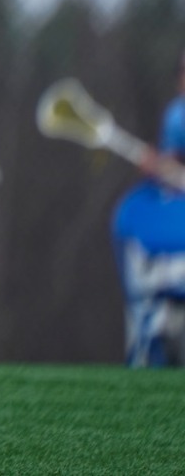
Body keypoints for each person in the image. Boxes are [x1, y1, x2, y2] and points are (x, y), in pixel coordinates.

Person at [112, 58, 185, 368]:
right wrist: (159, 167)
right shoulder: (177, 116)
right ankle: (151, 339)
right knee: (131, 214)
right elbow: (170, 167)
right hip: (169, 221)